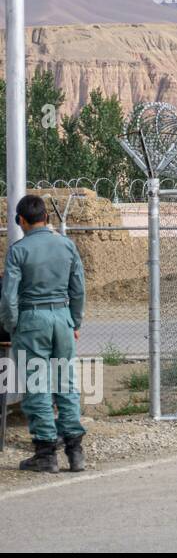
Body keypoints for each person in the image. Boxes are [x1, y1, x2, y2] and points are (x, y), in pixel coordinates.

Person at [1, 195, 87, 473]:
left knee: (37, 384)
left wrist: (13, 326)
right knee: (66, 383)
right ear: (47, 219)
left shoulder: (18, 250)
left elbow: (9, 298)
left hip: (32, 319)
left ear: (21, 220)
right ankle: (75, 452)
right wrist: (74, 323)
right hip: (62, 318)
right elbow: (78, 289)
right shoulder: (67, 246)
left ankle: (46, 452)